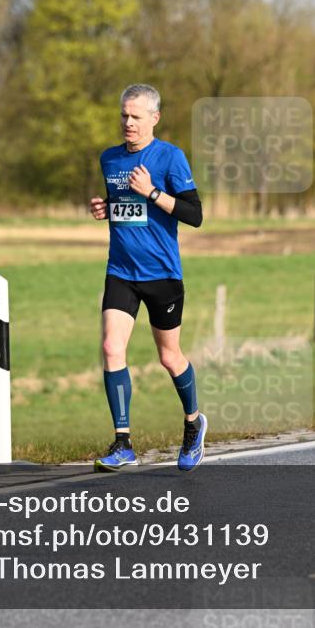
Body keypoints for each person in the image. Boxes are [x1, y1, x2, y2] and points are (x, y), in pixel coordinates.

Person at [88, 84, 207, 471]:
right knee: (110, 348)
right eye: (124, 115)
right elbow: (127, 207)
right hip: (121, 270)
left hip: (162, 275)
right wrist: (106, 208)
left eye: (136, 116)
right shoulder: (109, 159)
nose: (128, 123)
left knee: (169, 357)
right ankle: (123, 443)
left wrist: (153, 191)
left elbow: (194, 215)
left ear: (154, 118)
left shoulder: (171, 158)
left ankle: (193, 424)